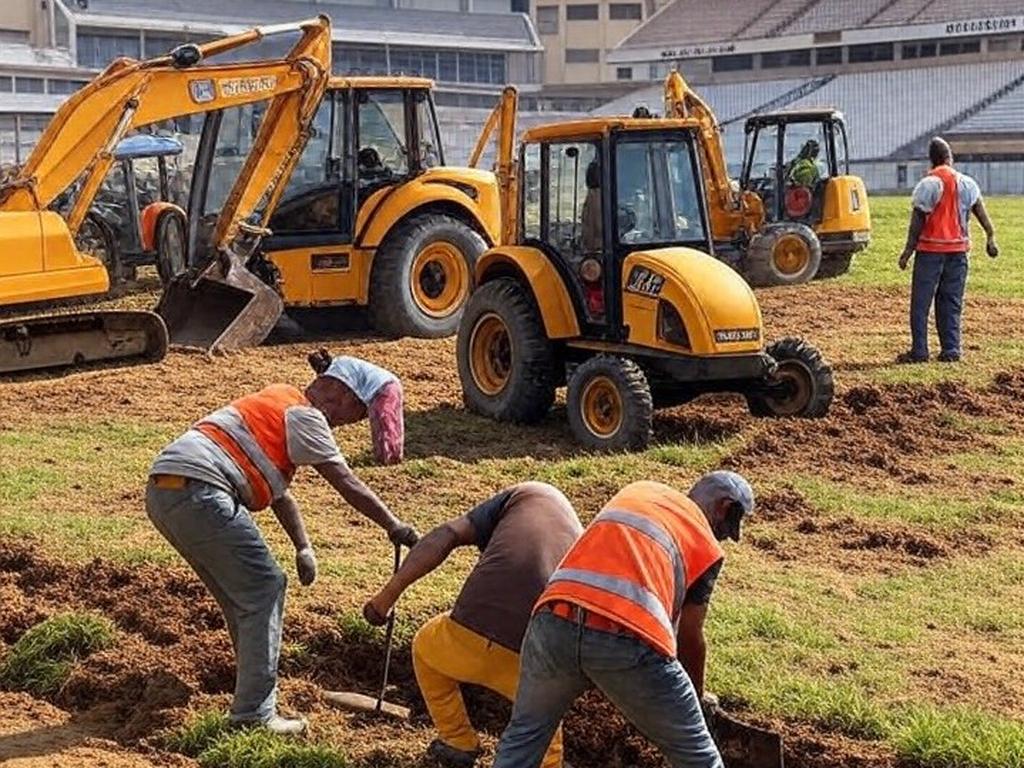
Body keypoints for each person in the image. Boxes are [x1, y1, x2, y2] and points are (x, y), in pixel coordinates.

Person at [145, 374, 419, 735]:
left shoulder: (279, 400)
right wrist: (393, 525)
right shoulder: (307, 416)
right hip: (201, 491)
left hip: (166, 491)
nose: (348, 422)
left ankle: (253, 694)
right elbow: (346, 482)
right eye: (356, 411)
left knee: (240, 598)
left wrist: (302, 547)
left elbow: (279, 495)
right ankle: (254, 715)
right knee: (264, 587)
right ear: (340, 393)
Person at [492, 471, 757, 768]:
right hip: (627, 638)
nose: (724, 535)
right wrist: (694, 705)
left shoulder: (640, 489)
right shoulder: (704, 541)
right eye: (730, 525)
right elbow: (690, 636)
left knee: (524, 738)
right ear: (724, 507)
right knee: (697, 755)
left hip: (552, 623)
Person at [363, 482, 583, 768]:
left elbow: (447, 534)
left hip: (471, 629)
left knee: (426, 647)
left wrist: (383, 600)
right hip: (534, 652)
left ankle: (457, 741)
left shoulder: (517, 496)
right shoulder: (579, 537)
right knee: (542, 716)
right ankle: (549, 763)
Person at [897, 137, 999, 363]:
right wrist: (990, 237)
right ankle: (951, 350)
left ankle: (920, 351)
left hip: (930, 252)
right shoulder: (968, 183)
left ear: (931, 160)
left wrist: (907, 252)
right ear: (949, 158)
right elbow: (981, 214)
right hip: (959, 253)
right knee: (951, 301)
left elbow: (917, 222)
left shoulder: (928, 184)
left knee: (921, 304)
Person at [307, 349, 405, 465]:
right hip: (384, 386)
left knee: (384, 424)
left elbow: (339, 396)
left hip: (383, 388)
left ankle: (388, 460)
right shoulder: (341, 363)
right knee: (387, 424)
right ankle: (388, 458)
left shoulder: (336, 371)